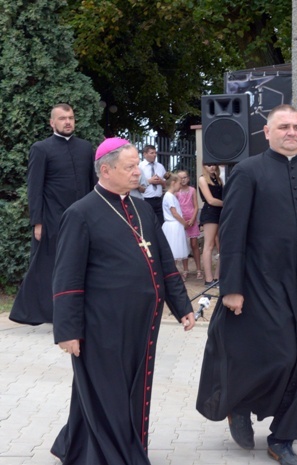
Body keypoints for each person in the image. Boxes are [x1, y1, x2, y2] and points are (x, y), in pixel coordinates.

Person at [196, 104, 297, 465]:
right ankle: (238, 405)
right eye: (283, 126)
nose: (291, 132)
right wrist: (231, 286)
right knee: (277, 354)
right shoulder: (248, 172)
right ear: (266, 133)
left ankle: (283, 438)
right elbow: (233, 232)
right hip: (261, 281)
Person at [51, 138, 196, 465]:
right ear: (106, 169)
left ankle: (73, 446)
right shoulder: (81, 213)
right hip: (101, 326)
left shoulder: (142, 207)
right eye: (130, 167)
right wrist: (67, 330)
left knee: (108, 390)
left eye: (137, 165)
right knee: (110, 393)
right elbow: (66, 278)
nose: (138, 173)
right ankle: (121, 456)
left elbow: (164, 262)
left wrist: (182, 306)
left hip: (142, 324)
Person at [10, 103, 96, 326]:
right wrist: (37, 222)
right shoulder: (41, 148)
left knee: (83, 264)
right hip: (52, 219)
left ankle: (82, 311)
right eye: (62, 118)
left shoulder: (86, 148)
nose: (68, 122)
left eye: (71, 117)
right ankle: (43, 313)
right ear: (52, 123)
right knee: (48, 267)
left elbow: (92, 184)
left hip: (83, 218)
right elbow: (34, 188)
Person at [197, 162, 223, 286]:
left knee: (222, 246)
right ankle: (208, 279)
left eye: (214, 165)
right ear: (204, 166)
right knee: (209, 245)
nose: (212, 167)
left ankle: (217, 277)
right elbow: (211, 200)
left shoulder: (218, 179)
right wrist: (227, 203)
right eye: (208, 165)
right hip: (210, 212)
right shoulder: (202, 179)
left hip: (221, 212)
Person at [175, 169, 202, 280]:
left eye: (185, 177)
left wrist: (193, 219)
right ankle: (185, 270)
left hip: (192, 220)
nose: (183, 179)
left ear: (188, 178)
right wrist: (182, 221)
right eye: (180, 178)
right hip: (182, 221)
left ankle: (199, 269)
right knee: (183, 246)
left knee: (194, 245)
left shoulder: (192, 190)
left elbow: (196, 206)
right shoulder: (176, 192)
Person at [161, 172, 189, 266]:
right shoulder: (169, 196)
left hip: (175, 225)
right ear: (173, 183)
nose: (181, 186)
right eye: (179, 183)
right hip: (173, 226)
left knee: (175, 251)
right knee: (173, 250)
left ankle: (174, 271)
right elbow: (174, 213)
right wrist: (184, 223)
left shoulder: (171, 196)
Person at [139, 144, 166, 225]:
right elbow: (136, 184)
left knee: (160, 224)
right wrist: (150, 181)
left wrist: (161, 181)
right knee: (148, 224)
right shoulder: (140, 167)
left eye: (155, 153)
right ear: (145, 154)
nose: (154, 155)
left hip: (158, 200)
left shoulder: (160, 166)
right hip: (146, 200)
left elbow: (166, 185)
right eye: (152, 153)